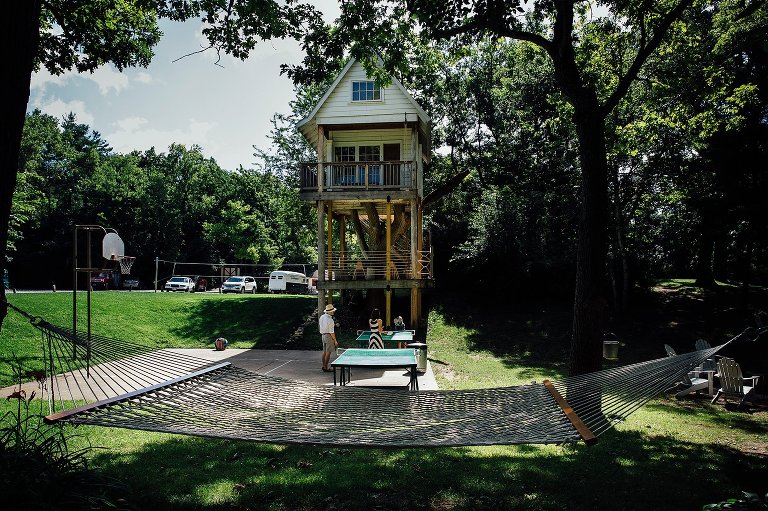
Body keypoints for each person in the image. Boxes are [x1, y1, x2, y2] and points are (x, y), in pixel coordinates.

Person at [319, 304, 338, 371]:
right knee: (328, 352)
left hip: (323, 335)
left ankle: (324, 366)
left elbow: (321, 326)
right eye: (332, 311)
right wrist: (335, 340)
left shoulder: (322, 317)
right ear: (328, 312)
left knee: (324, 352)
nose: (333, 312)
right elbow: (331, 332)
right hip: (328, 336)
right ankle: (326, 367)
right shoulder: (330, 320)